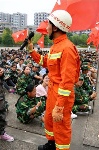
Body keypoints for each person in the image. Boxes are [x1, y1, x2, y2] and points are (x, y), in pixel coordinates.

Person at [27, 10, 80, 150]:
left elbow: (67, 82)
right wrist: (31, 51)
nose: (46, 28)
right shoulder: (56, 46)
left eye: (48, 25)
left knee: (61, 126)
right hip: (52, 90)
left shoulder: (67, 48)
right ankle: (51, 144)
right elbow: (46, 62)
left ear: (55, 27)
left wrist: (60, 105)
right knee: (50, 120)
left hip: (61, 94)